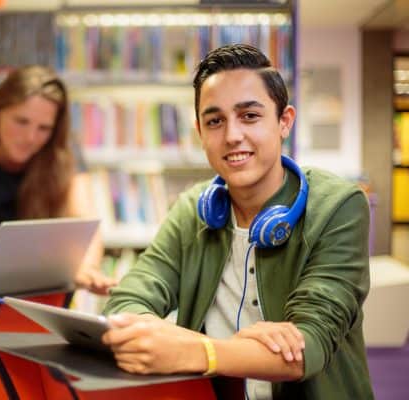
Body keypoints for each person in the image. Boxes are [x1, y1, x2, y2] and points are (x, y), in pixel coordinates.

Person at [102, 44, 374, 400]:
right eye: (215, 121)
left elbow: (307, 346)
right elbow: (126, 302)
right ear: (200, 132)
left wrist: (191, 350)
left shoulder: (338, 207)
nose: (232, 135)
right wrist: (213, 344)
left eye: (249, 116)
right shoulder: (191, 210)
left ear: (284, 122)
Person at [0, 65, 116, 295]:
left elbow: (85, 222)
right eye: (21, 121)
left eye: (44, 128)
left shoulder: (62, 150)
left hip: (40, 283)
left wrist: (88, 269)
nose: (30, 137)